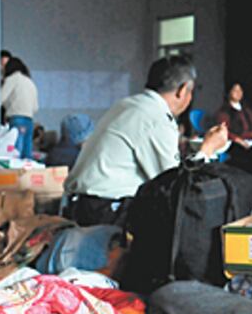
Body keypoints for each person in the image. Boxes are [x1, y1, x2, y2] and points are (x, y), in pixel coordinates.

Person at [64, 55, 229, 227]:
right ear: (182, 90)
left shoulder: (127, 104)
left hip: (82, 204)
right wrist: (208, 149)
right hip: (107, 210)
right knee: (186, 215)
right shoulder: (155, 116)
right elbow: (177, 186)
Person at [1, 57, 39, 160]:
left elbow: (1, 98)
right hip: (29, 121)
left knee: (15, 152)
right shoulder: (30, 82)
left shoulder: (12, 79)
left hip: (16, 118)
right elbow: (35, 107)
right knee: (26, 154)